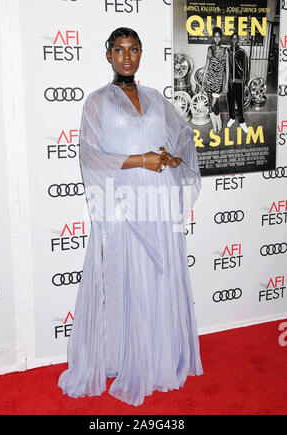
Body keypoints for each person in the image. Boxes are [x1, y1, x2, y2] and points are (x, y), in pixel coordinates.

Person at [58, 27, 203, 407]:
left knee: (158, 279)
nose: (127, 56)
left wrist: (171, 158)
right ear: (108, 54)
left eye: (134, 49)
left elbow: (182, 135)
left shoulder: (157, 98)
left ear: (141, 54)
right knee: (125, 282)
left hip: (158, 202)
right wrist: (142, 160)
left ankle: (157, 358)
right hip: (120, 205)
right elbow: (90, 155)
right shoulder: (96, 102)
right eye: (119, 49)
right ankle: (122, 358)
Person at [202, 26, 229, 134]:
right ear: (213, 38)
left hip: (218, 83)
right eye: (215, 37)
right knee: (210, 105)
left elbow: (227, 70)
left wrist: (226, 85)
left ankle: (219, 124)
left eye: (219, 37)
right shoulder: (210, 49)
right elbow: (206, 66)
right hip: (209, 80)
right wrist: (203, 81)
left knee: (214, 105)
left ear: (221, 37)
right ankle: (215, 126)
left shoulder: (225, 51)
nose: (217, 39)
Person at [226, 32, 249, 134]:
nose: (234, 41)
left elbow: (246, 68)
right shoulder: (227, 51)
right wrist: (226, 81)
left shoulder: (242, 52)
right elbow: (224, 67)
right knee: (230, 100)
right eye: (232, 39)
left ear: (238, 40)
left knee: (240, 102)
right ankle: (231, 118)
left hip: (239, 82)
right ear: (231, 40)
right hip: (229, 81)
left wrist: (245, 82)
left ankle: (242, 121)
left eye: (236, 39)